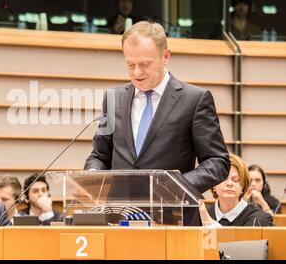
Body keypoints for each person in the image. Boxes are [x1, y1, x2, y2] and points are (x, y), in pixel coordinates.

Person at [84, 21, 230, 225]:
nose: (136, 73)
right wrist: (92, 175)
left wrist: (177, 186)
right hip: (119, 218)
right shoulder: (113, 98)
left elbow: (217, 161)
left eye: (144, 64)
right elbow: (99, 156)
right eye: (130, 64)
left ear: (166, 57)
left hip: (173, 218)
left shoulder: (195, 99)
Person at [199, 154, 273, 227]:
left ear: (243, 186)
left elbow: (238, 239)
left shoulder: (257, 217)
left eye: (235, 180)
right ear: (214, 185)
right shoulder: (203, 213)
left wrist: (208, 221)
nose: (229, 183)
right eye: (224, 178)